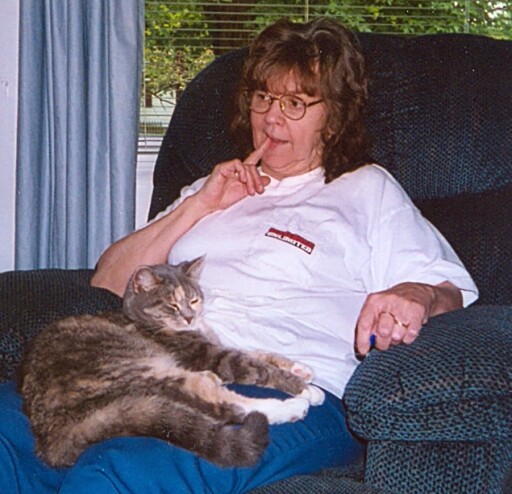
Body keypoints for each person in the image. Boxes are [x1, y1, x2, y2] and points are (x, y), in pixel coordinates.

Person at [0, 17, 478, 494]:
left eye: (294, 104)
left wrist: (413, 293)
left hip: (286, 386)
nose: (271, 118)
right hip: (155, 368)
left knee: (119, 468)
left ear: (332, 117)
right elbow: (108, 281)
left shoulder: (365, 190)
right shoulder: (211, 188)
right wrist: (199, 205)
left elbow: (446, 289)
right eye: (263, 98)